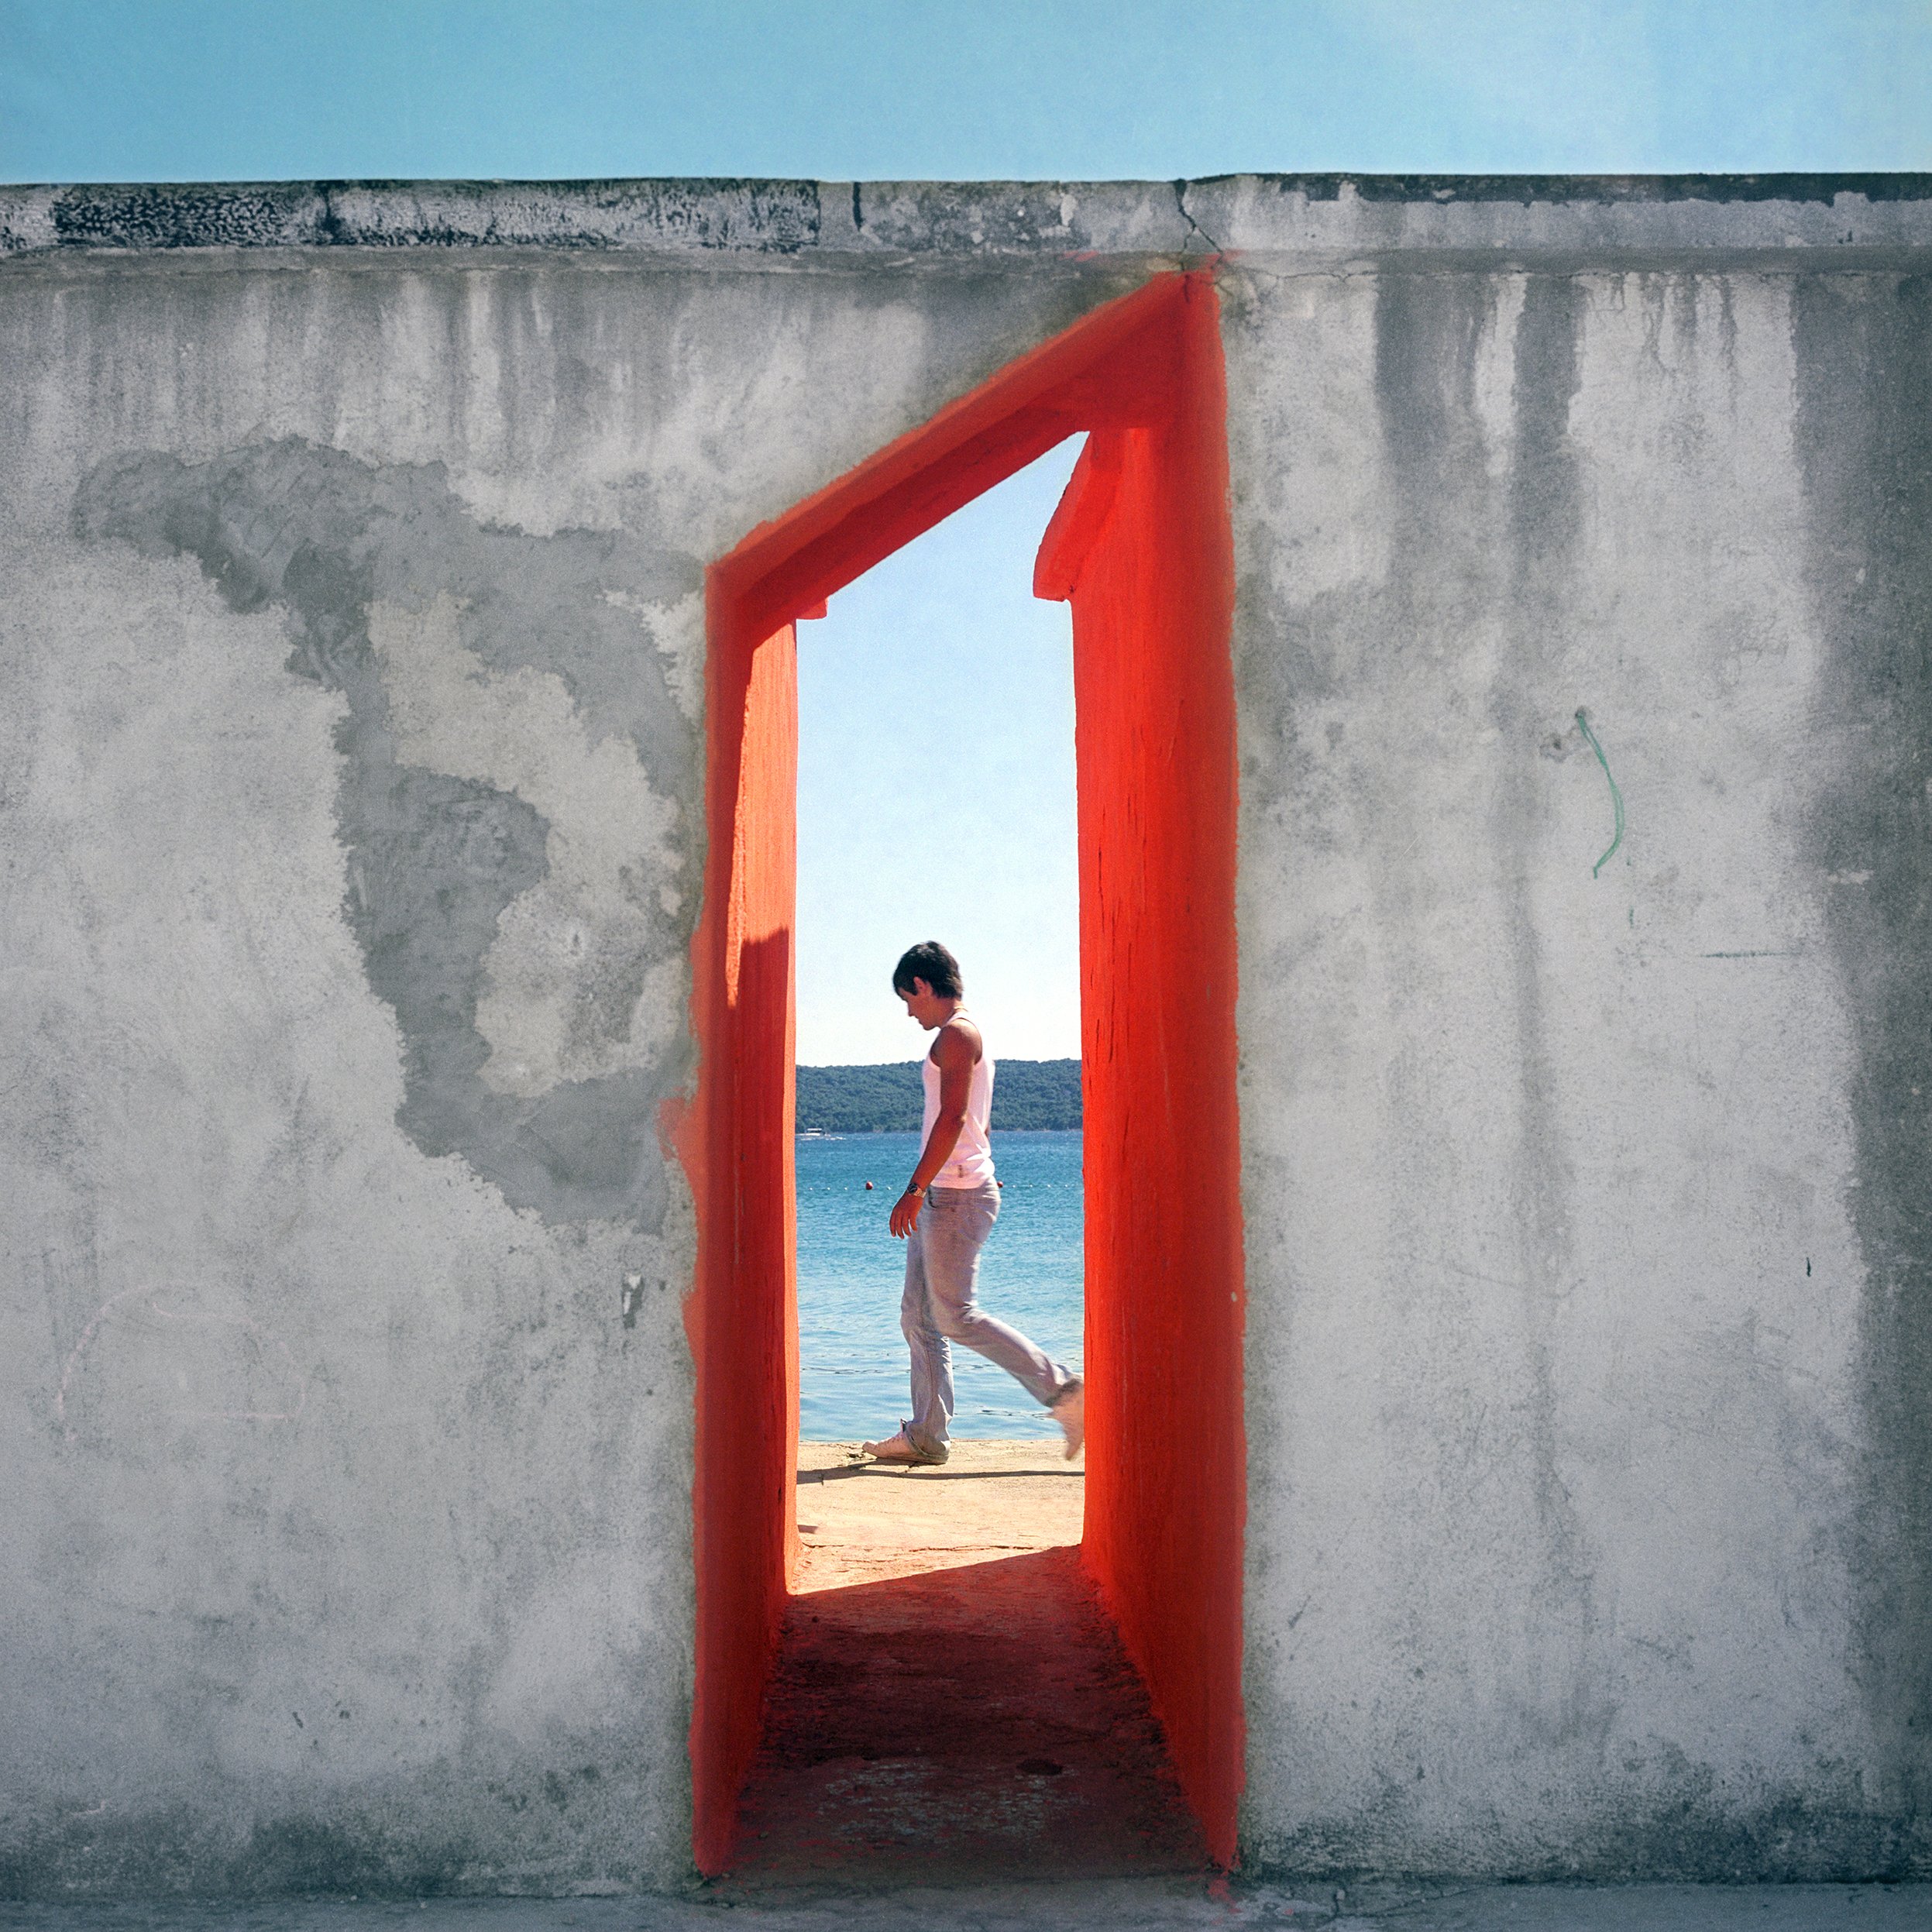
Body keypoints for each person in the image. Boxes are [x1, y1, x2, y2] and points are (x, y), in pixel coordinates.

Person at [861, 940, 1084, 1466]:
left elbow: (954, 1119)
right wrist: (923, 1190)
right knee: (917, 1316)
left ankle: (1067, 1394)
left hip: (956, 1196)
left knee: (956, 1317)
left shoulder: (957, 1035)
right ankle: (926, 1436)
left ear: (922, 984)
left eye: (907, 1000)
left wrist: (914, 1190)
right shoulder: (955, 1035)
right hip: (946, 1192)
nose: (909, 1012)